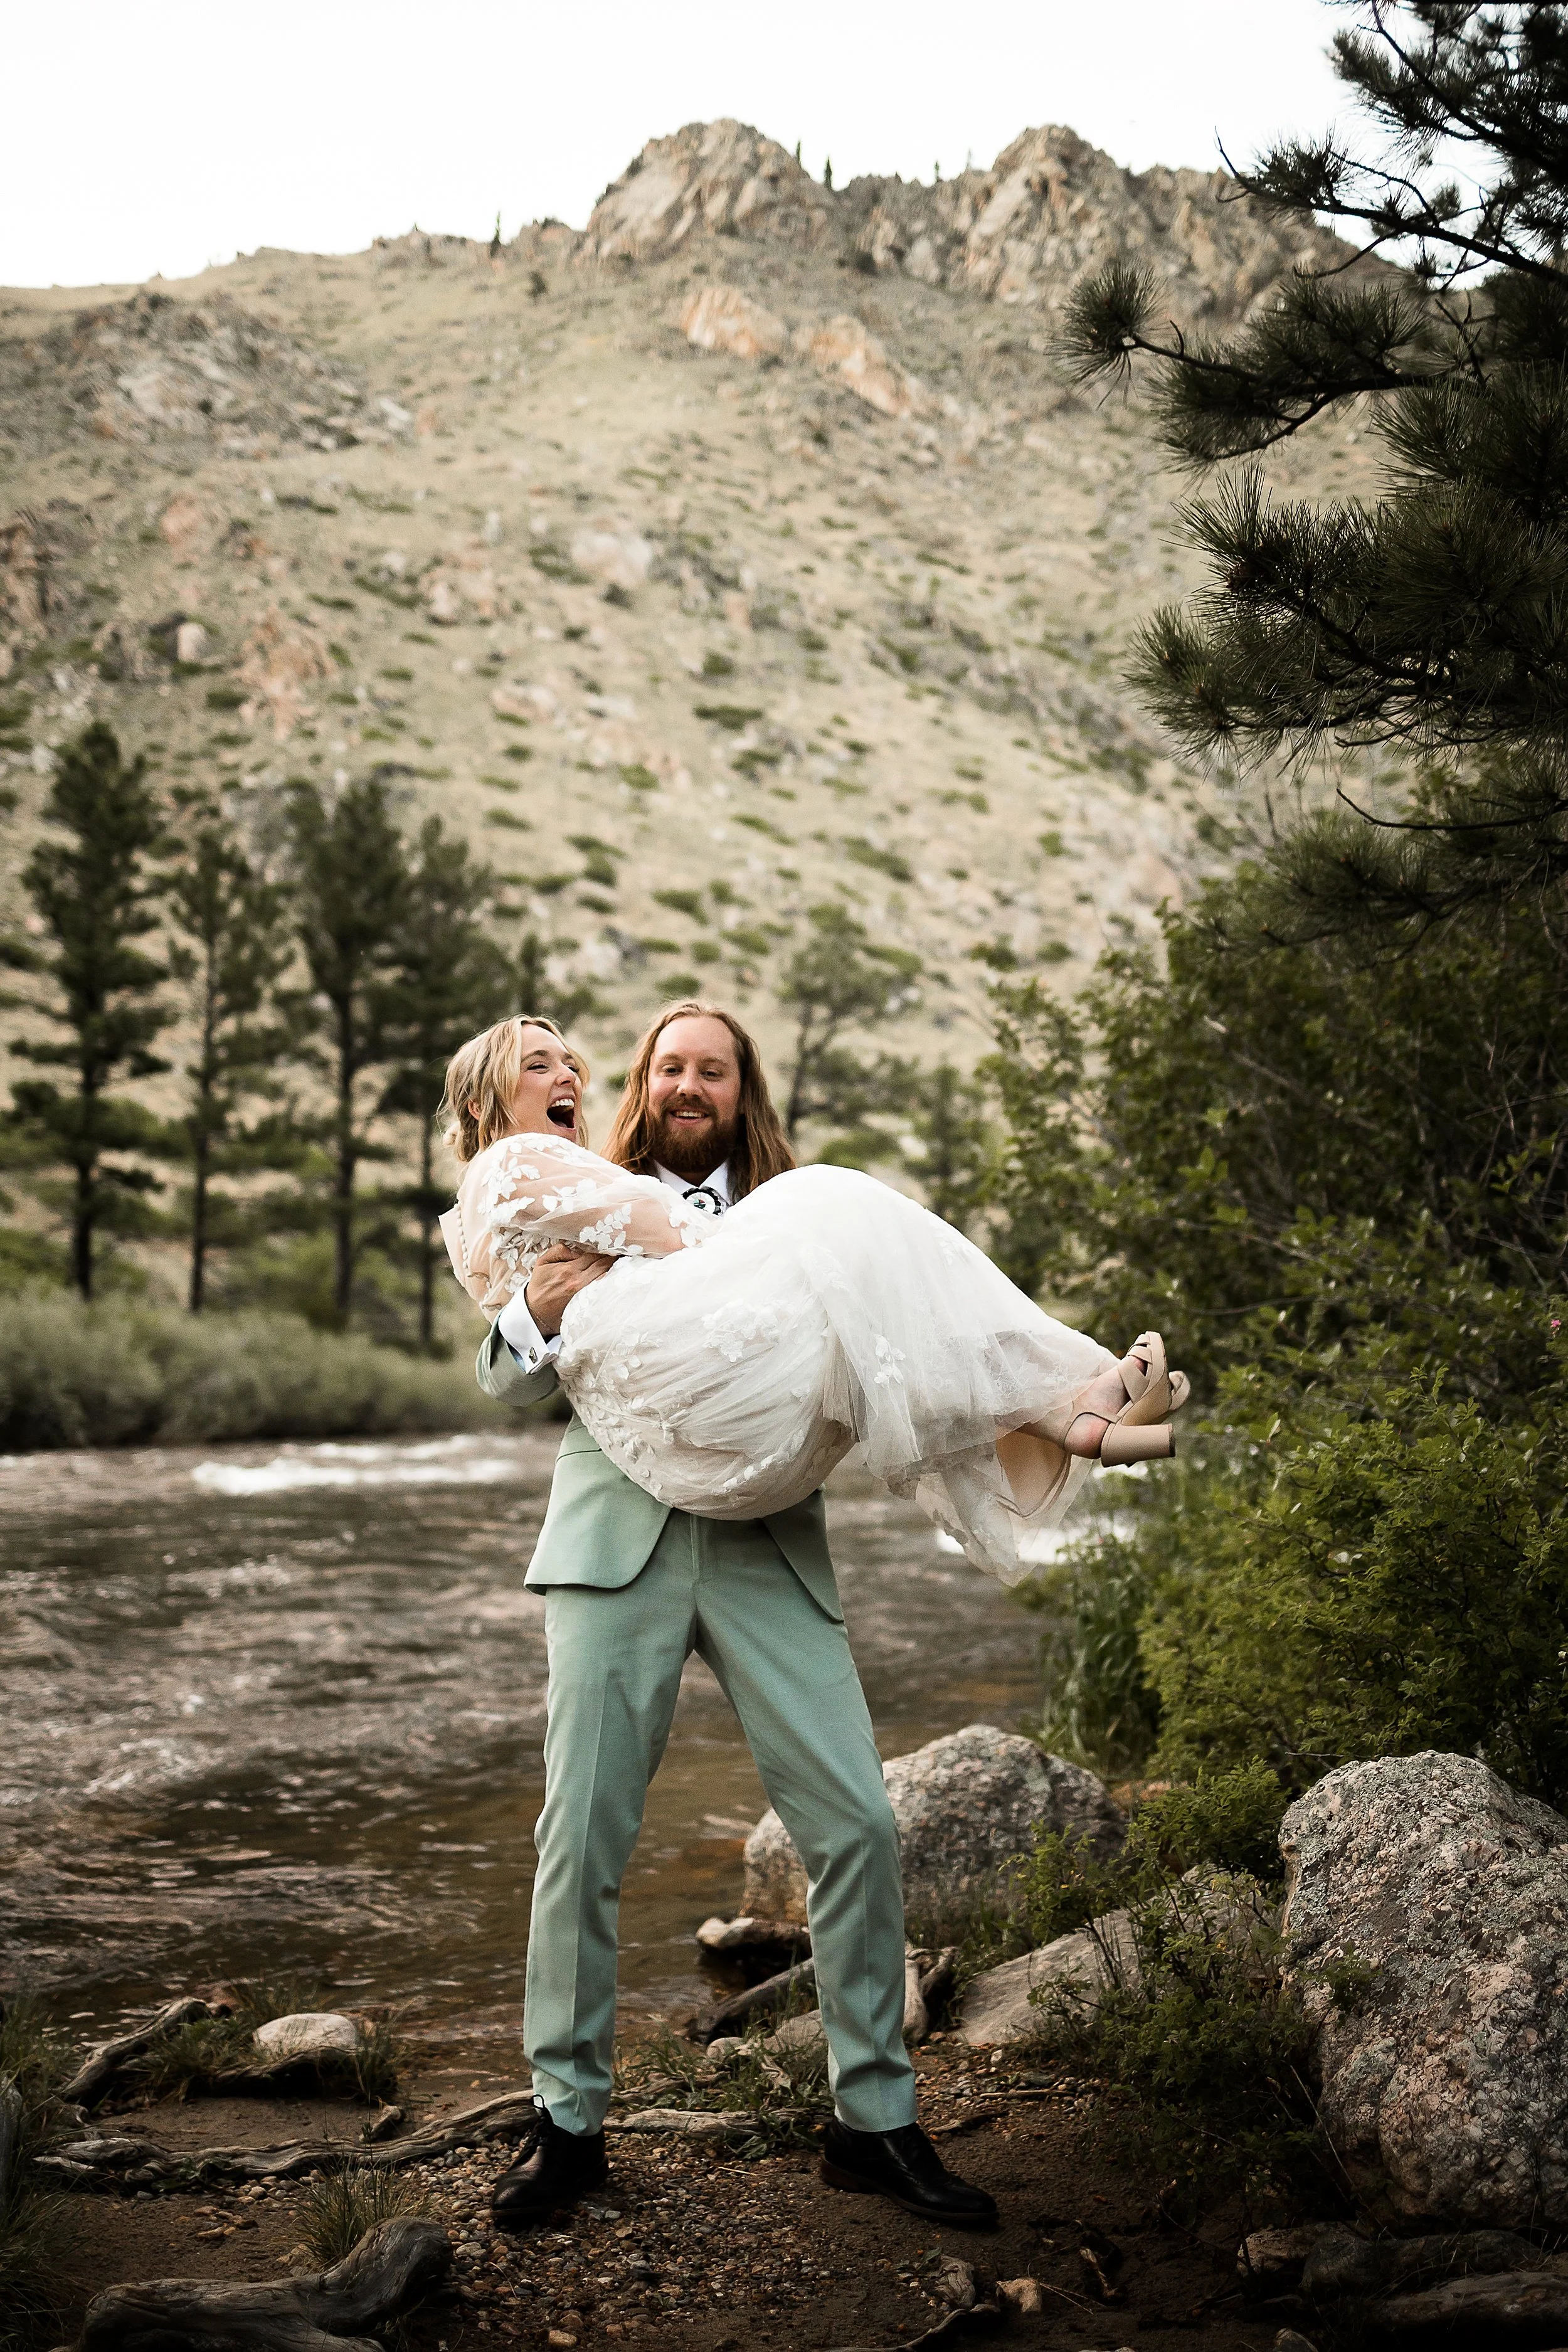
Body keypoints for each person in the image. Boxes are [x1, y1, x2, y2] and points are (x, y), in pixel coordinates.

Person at [455, 1002, 1051, 2235]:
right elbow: (495, 1361)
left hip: (768, 1553)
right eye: (668, 1066)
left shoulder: (803, 1217)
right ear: (643, 1083)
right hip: (611, 1546)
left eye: (710, 1071)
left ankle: (873, 2122)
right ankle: (565, 2124)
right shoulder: (581, 1182)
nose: (686, 1085)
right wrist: (542, 1313)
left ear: (740, 1092)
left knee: (854, 1826)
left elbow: (895, 1361)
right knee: (582, 1840)